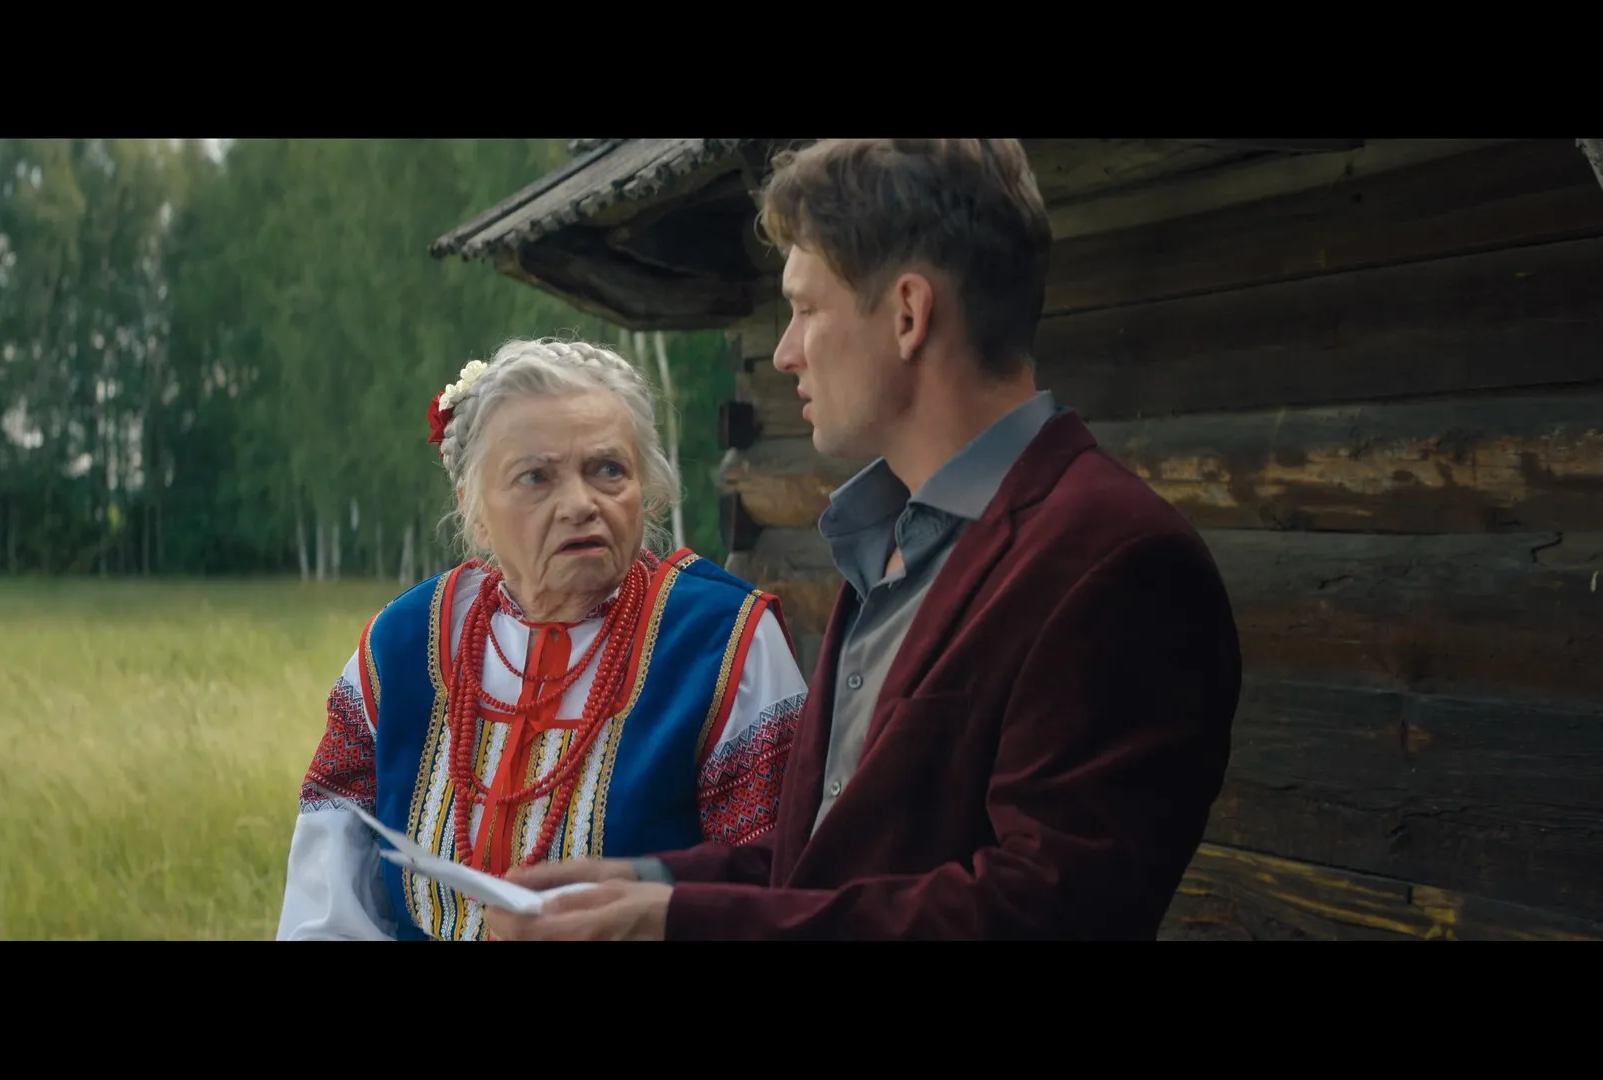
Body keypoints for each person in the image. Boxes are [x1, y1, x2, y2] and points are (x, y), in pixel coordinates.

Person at [483, 138, 1243, 941]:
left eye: (807, 310)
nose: (784, 353)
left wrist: (678, 923)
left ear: (909, 315)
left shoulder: (1115, 562)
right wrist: (648, 882)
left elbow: (1041, 911)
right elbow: (829, 869)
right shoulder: (893, 539)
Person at [274, 336, 810, 940]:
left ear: (647, 488)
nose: (580, 504)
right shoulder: (401, 648)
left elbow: (772, 891)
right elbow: (328, 900)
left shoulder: (722, 644)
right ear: (475, 509)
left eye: (609, 470)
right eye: (535, 477)